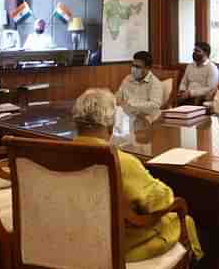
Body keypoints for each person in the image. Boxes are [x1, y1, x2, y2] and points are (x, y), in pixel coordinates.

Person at [71, 88, 204, 263]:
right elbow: (161, 201)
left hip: (77, 239)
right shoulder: (121, 161)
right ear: (110, 126)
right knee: (183, 220)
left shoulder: (59, 156)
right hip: (121, 247)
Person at [116, 51, 163, 122]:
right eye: (133, 65)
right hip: (126, 118)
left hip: (145, 120)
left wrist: (130, 105)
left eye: (137, 67)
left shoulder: (155, 83)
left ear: (147, 68)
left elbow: (155, 105)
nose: (134, 69)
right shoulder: (127, 78)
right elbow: (118, 97)